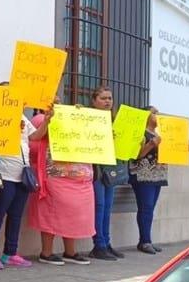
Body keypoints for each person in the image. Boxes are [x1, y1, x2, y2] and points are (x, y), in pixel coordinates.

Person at [0, 83, 50, 270]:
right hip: (3, 175)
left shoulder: (22, 118)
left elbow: (35, 137)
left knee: (16, 215)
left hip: (22, 175)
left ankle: (10, 252)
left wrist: (47, 120)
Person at [28, 98, 95, 266]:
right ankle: (47, 252)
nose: (57, 101)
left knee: (73, 215)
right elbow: (32, 145)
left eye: (58, 99)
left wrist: (82, 117)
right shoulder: (38, 120)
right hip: (56, 175)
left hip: (79, 177)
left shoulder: (71, 118)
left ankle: (70, 252)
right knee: (51, 213)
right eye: (52, 100)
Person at [129, 106, 168, 255]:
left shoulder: (161, 134)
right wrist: (151, 144)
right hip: (143, 175)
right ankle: (145, 241)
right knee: (145, 208)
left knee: (150, 209)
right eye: (154, 112)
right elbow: (136, 155)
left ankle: (147, 240)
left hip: (158, 175)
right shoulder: (140, 133)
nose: (157, 115)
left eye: (158, 112)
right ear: (146, 115)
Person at [90, 86, 123, 261]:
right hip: (96, 169)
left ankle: (106, 243)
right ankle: (99, 245)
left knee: (108, 207)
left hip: (110, 169)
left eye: (110, 98)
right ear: (94, 101)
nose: (108, 101)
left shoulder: (115, 121)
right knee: (99, 206)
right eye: (103, 98)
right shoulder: (88, 118)